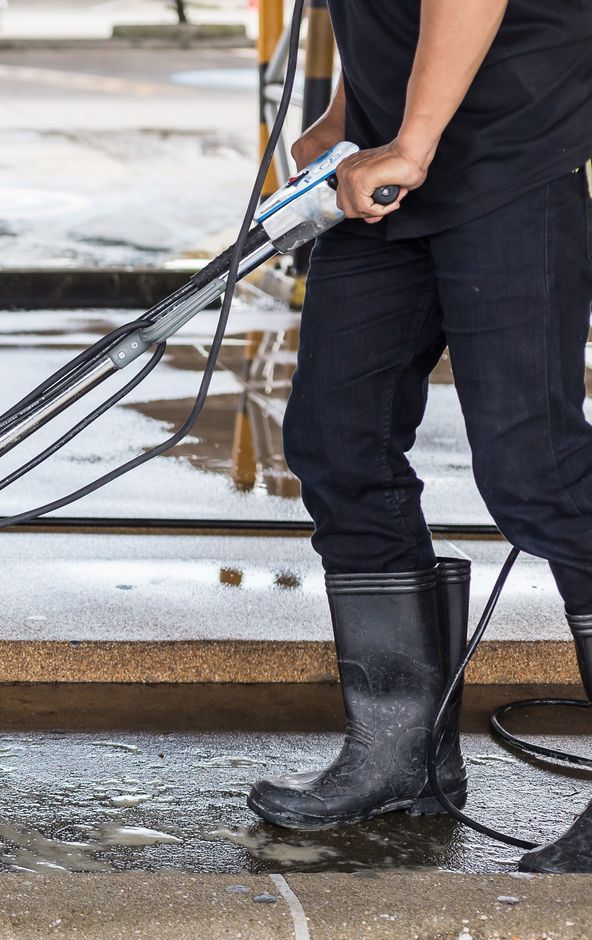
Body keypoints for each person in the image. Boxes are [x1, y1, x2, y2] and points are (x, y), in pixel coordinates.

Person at [247, 0, 592, 871]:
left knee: (535, 466)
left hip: (504, 158)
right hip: (388, 164)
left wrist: (413, 141)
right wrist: (342, 118)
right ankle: (400, 756)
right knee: (337, 440)